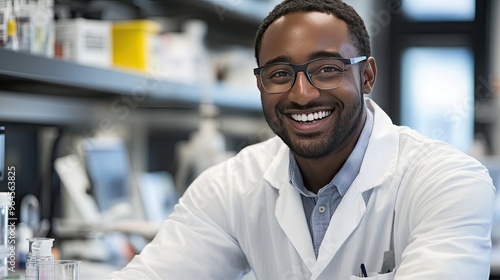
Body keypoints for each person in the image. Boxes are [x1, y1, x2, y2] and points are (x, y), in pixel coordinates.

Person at [106, 0, 496, 279]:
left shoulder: (446, 180)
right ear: (259, 84)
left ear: (367, 77)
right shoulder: (230, 186)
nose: (302, 94)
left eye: (326, 69)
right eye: (279, 74)